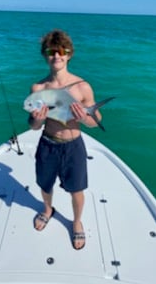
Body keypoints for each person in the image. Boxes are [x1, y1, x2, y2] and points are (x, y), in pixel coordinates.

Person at [28, 29, 102, 250]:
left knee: (76, 190)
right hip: (47, 144)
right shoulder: (38, 88)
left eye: (62, 51)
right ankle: (47, 209)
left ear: (69, 54)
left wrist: (86, 116)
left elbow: (94, 122)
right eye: (51, 51)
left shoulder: (82, 87)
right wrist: (36, 119)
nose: (57, 55)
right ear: (45, 55)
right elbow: (33, 126)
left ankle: (76, 221)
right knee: (44, 185)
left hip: (73, 146)